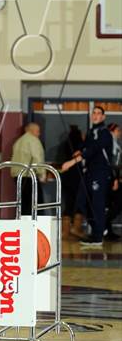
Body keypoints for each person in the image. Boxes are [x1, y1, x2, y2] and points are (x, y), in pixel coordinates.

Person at [61, 105, 113, 248]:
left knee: (97, 204)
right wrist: (78, 150)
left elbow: (93, 149)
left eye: (98, 113)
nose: (95, 115)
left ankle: (97, 236)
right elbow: (85, 147)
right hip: (89, 172)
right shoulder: (91, 131)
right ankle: (99, 228)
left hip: (100, 173)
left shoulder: (104, 133)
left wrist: (72, 162)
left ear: (103, 117)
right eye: (94, 113)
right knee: (81, 201)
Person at [10, 123, 46, 215]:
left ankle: (24, 226)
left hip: (17, 175)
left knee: (23, 204)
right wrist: (42, 174)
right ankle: (36, 226)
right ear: (31, 130)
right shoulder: (34, 141)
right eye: (38, 131)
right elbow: (37, 158)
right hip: (29, 176)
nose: (39, 134)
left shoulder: (18, 141)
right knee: (36, 204)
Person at [61, 125, 84, 239]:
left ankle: (65, 232)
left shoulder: (66, 145)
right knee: (79, 204)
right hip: (77, 179)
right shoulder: (80, 147)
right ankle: (76, 229)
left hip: (66, 178)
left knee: (68, 204)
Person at [104, 123, 121, 241]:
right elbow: (111, 165)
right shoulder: (110, 146)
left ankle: (108, 230)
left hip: (114, 178)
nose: (119, 133)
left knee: (112, 206)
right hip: (111, 179)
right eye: (117, 130)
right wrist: (115, 179)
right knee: (115, 205)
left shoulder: (115, 145)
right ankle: (105, 227)